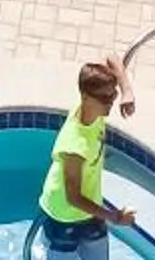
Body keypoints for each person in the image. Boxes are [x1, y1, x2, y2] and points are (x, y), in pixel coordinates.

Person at [38, 57, 139, 249]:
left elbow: (112, 58)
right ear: (85, 97)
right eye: (104, 98)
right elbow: (73, 198)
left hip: (90, 209)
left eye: (113, 95)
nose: (110, 103)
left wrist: (126, 91)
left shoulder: (94, 111)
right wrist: (114, 217)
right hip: (63, 216)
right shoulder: (75, 145)